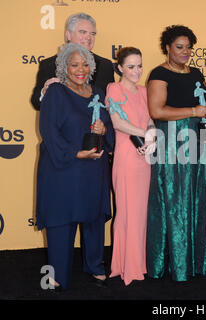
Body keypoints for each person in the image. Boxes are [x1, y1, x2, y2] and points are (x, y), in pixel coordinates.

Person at [36, 43, 114, 290]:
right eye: (74, 64)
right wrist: (74, 153)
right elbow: (48, 131)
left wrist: (105, 129)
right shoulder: (56, 92)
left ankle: (94, 265)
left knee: (93, 218)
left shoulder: (99, 93)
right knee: (61, 219)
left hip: (93, 169)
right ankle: (58, 273)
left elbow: (109, 129)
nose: (81, 69)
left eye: (85, 64)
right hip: (63, 168)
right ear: (64, 67)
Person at [146, 25, 206, 281]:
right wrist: (193, 113)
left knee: (198, 199)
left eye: (189, 47)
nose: (185, 52)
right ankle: (174, 263)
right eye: (179, 47)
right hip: (173, 143)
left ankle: (198, 261)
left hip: (199, 141)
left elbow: (205, 106)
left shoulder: (196, 73)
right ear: (167, 47)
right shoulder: (159, 73)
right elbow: (157, 111)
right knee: (175, 202)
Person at [106, 47, 156, 286]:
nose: (136, 71)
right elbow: (117, 122)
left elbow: (150, 120)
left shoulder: (145, 91)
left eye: (139, 66)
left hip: (144, 157)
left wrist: (151, 137)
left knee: (139, 214)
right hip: (126, 156)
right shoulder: (113, 89)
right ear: (120, 68)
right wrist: (145, 134)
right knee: (126, 213)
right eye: (131, 67)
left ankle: (137, 264)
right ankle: (125, 267)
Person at [31, 12, 114, 110]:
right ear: (68, 35)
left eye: (92, 33)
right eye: (83, 32)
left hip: (96, 124)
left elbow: (110, 104)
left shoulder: (105, 65)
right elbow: (37, 103)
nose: (89, 37)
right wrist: (44, 93)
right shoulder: (49, 64)